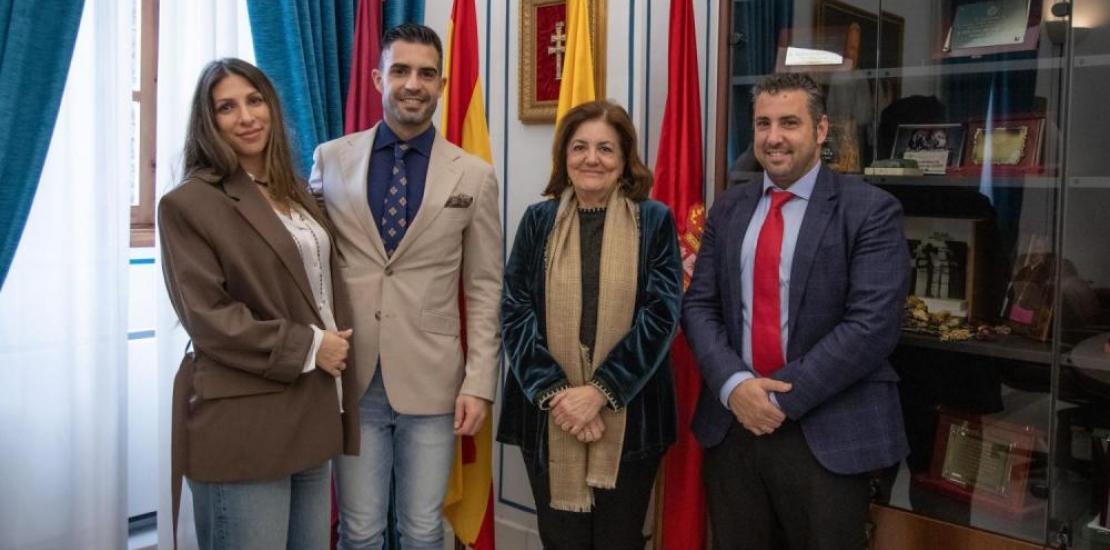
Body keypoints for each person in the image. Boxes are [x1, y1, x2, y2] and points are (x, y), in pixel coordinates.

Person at [683, 72, 911, 549]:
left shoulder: (870, 210)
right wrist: (736, 386)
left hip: (827, 430)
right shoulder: (729, 208)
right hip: (734, 428)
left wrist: (778, 400)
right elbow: (699, 305)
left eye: (790, 122)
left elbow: (872, 327)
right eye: (763, 123)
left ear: (821, 130)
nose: (774, 138)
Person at [308, 23, 502, 550]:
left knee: (421, 529)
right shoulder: (330, 159)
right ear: (378, 78)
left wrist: (480, 381)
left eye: (425, 73)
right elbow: (305, 266)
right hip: (351, 374)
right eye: (400, 71)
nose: (412, 83)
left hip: (434, 380)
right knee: (360, 529)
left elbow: (485, 287)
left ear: (441, 84)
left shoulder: (475, 175)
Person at [159, 58, 358, 550]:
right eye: (226, 107)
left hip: (310, 413)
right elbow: (211, 320)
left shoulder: (297, 194)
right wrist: (313, 347)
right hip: (245, 424)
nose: (246, 116)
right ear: (208, 123)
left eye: (254, 100)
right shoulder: (188, 204)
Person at [497, 99, 683, 550]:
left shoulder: (654, 220)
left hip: (631, 415)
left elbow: (661, 314)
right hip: (548, 413)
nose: (591, 158)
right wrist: (561, 395)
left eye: (605, 148)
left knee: (619, 540)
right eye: (579, 147)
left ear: (624, 161)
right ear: (564, 156)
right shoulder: (538, 220)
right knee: (561, 540)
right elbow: (515, 308)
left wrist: (600, 392)